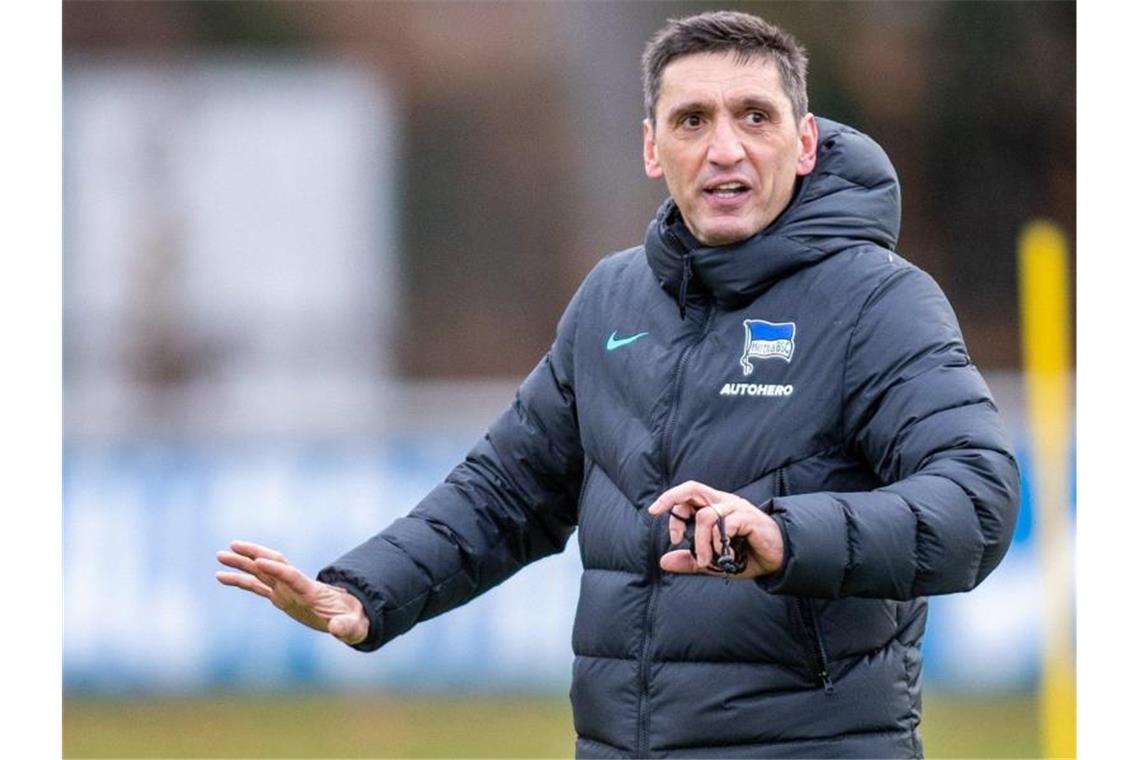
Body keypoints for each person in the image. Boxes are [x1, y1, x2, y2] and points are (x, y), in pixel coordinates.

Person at [217, 10, 1019, 758]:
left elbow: (977, 504)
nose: (726, 148)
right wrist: (365, 591)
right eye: (692, 120)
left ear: (805, 142)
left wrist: (786, 535)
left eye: (755, 116)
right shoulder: (612, 298)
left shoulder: (878, 301)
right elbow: (506, 490)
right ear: (651, 147)